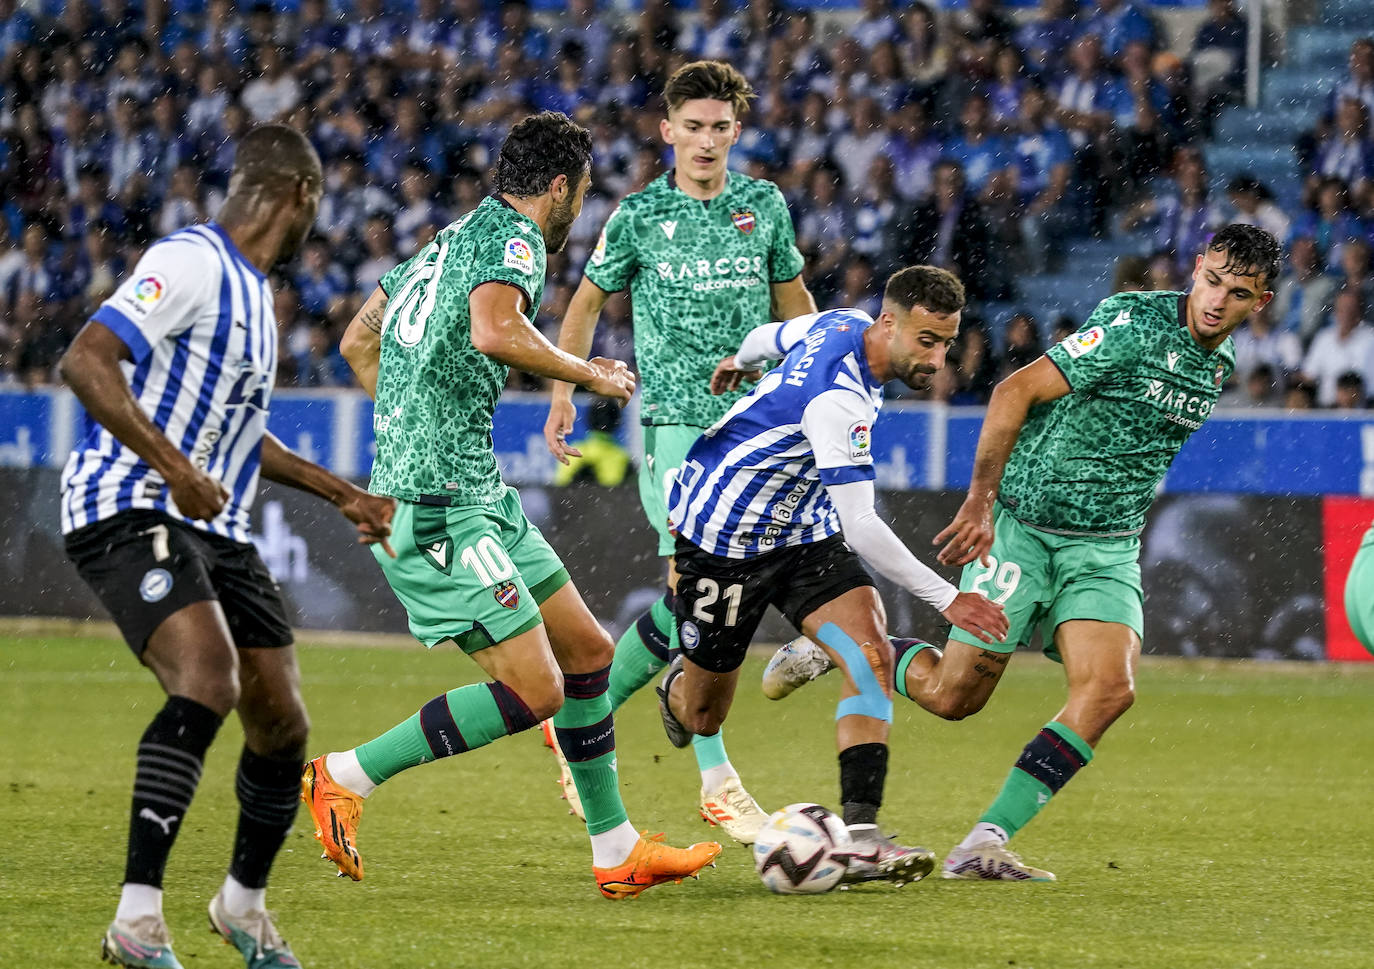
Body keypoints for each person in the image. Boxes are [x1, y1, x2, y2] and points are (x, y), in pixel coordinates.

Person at [765, 224, 1281, 881]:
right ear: (1197, 265)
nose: (1215, 301)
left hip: (1107, 547)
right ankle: (853, 645)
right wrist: (980, 501)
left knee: (1110, 690)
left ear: (1258, 302)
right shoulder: (1131, 323)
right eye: (1210, 280)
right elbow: (1015, 391)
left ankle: (982, 843)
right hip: (1024, 529)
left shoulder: (1221, 362)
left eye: (1236, 294)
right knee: (955, 698)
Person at [302, 111, 721, 900]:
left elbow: (361, 341)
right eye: (584, 193)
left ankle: (616, 850)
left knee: (589, 651)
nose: (582, 210)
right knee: (539, 691)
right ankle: (341, 776)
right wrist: (588, 372)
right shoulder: (516, 241)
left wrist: (406, 427)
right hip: (437, 505)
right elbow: (496, 331)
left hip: (473, 489)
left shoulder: (451, 238)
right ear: (559, 187)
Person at [57, 123, 396, 969]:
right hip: (128, 500)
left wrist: (341, 492)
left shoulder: (256, 300)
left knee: (281, 722)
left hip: (215, 523)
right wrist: (172, 465)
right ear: (301, 198)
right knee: (210, 679)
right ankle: (136, 923)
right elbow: (86, 360)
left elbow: (246, 440)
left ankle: (241, 907)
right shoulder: (194, 262)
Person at [661, 265, 1009, 885]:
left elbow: (771, 335)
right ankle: (677, 687)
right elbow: (863, 524)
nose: (937, 356)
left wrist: (740, 362)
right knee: (701, 717)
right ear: (889, 323)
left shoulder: (839, 323)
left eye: (947, 342)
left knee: (869, 655)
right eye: (926, 340)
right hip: (725, 540)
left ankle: (864, 838)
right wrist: (947, 599)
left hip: (803, 531)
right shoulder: (839, 399)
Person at [542, 61, 816, 844]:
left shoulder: (763, 207)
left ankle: (577, 714)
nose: (704, 140)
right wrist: (567, 391)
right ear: (667, 132)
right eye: (690, 127)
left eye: (718, 127)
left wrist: (817, 380)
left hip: (757, 426)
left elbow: (793, 304)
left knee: (694, 605)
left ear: (736, 131)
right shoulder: (637, 217)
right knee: (701, 592)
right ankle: (716, 777)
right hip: (674, 427)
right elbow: (586, 302)